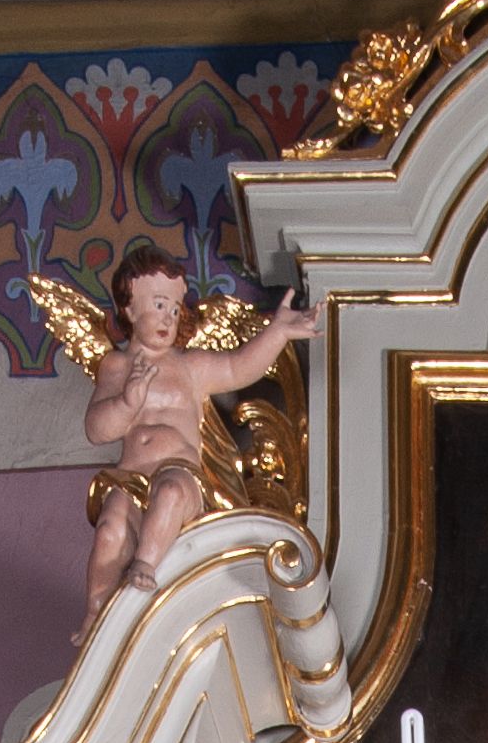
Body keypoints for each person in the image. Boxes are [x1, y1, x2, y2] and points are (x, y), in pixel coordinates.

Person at [80, 239, 313, 636]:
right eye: (158, 304)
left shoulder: (190, 367)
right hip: (131, 476)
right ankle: (95, 615)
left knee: (170, 495)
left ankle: (145, 568)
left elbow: (239, 367)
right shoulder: (116, 367)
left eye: (175, 308)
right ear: (129, 308)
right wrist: (127, 402)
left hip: (180, 471)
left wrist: (277, 333)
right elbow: (97, 429)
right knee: (110, 531)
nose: (168, 317)